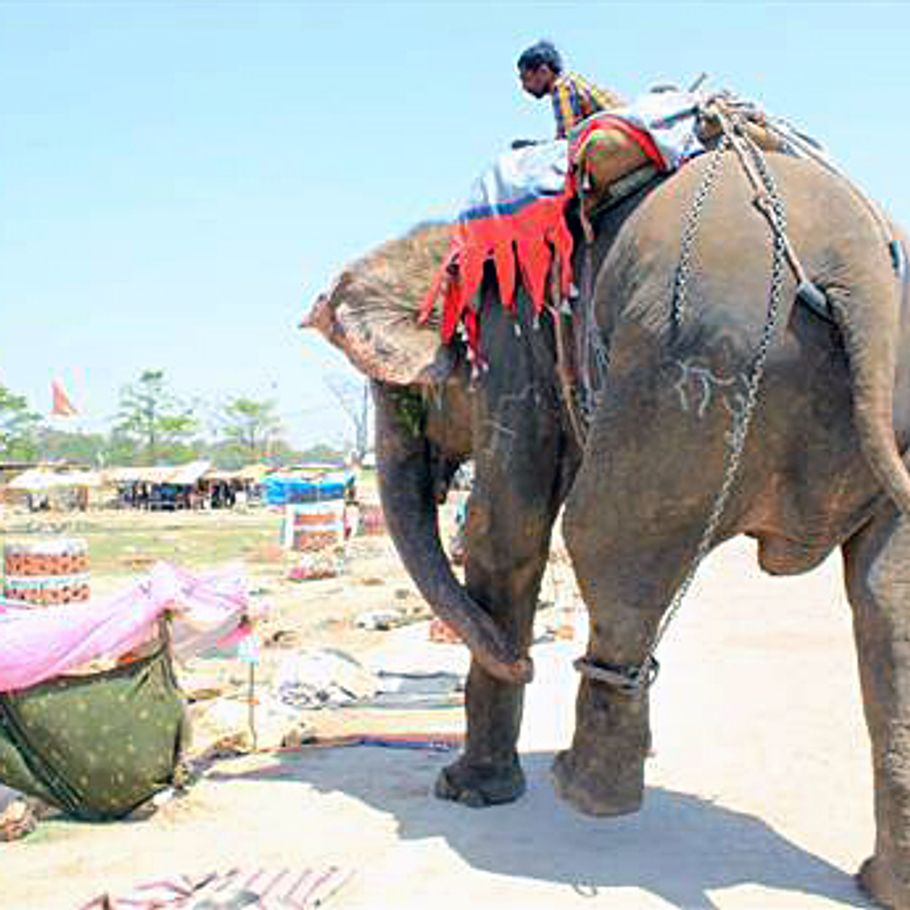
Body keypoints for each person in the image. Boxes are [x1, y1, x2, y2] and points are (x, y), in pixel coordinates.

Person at [517, 40, 624, 139]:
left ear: (543, 71)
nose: (524, 87)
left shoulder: (562, 87)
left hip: (619, 136)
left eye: (526, 79)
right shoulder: (571, 80)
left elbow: (568, 138)